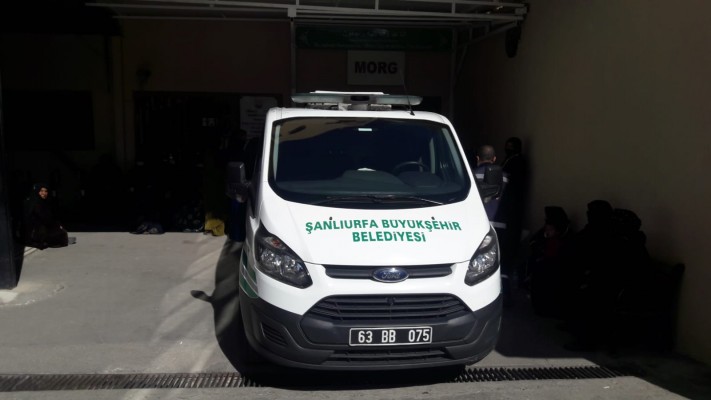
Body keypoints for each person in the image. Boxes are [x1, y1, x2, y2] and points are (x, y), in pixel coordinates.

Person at [495, 137, 527, 288]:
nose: (508, 149)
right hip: (506, 205)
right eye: (507, 146)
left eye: (511, 146)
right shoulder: (510, 160)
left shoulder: (518, 162)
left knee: (509, 239)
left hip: (511, 206)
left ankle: (506, 272)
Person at [22, 183, 76, 249]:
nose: (44, 193)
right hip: (36, 230)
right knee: (57, 234)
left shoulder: (45, 202)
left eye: (46, 191)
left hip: (45, 227)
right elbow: (41, 218)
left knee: (62, 233)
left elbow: (50, 217)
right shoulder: (35, 203)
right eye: (41, 191)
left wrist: (57, 225)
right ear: (37, 192)